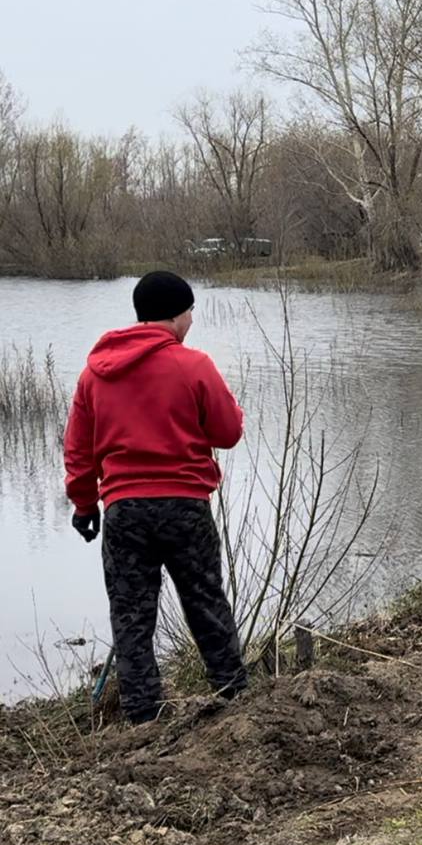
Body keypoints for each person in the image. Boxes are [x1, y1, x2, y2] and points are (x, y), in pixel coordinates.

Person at [63, 271, 248, 724]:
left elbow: (79, 450)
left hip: (124, 511)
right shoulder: (193, 365)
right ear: (178, 315)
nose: (191, 320)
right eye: (189, 312)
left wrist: (85, 505)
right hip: (185, 507)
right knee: (205, 602)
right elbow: (228, 433)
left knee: (131, 616)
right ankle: (236, 699)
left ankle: (144, 715)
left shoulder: (95, 374)